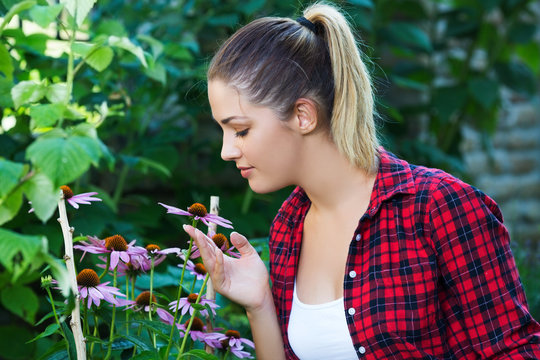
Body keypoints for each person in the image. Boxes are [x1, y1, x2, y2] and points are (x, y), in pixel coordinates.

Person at [182, 3, 540, 359]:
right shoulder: (288, 228)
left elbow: (515, 352)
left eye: (241, 130)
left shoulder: (438, 207)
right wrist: (259, 305)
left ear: (303, 115)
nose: (227, 151)